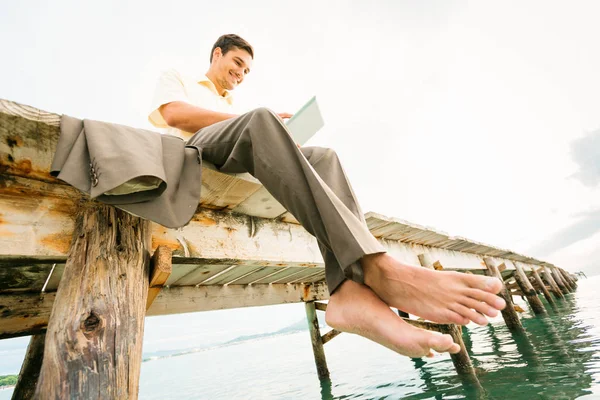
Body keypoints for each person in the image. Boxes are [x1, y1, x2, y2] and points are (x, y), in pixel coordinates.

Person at [149, 34, 506, 358]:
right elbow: (174, 114)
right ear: (217, 54)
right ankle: (377, 267)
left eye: (246, 70)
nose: (241, 73)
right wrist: (254, 121)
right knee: (260, 119)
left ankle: (347, 290)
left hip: (234, 160)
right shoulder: (180, 77)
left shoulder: (232, 103)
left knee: (324, 157)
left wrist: (281, 140)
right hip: (191, 157)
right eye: (237, 63)